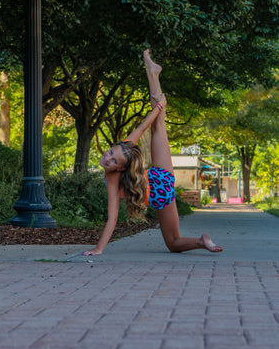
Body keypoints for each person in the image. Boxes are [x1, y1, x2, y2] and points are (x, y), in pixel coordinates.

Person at [83, 49, 223, 256]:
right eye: (111, 158)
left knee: (174, 243)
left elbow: (112, 216)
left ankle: (152, 71)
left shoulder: (116, 170)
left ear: (122, 166)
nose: (107, 158)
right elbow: (142, 127)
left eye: (112, 157)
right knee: (159, 125)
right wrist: (158, 108)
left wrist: (99, 249)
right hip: (160, 178)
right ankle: (152, 72)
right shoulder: (126, 150)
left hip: (158, 191)